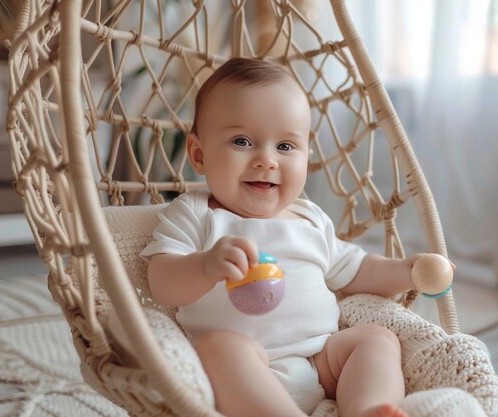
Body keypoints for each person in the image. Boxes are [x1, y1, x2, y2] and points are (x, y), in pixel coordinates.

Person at [141, 58, 446, 417]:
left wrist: (408, 271)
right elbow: (161, 282)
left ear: (306, 157)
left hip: (320, 361)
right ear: (198, 154)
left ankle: (366, 409)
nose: (266, 160)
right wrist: (206, 266)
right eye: (242, 141)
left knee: (378, 339)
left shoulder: (310, 217)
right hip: (245, 369)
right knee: (218, 349)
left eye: (285, 147)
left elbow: (355, 267)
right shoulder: (196, 214)